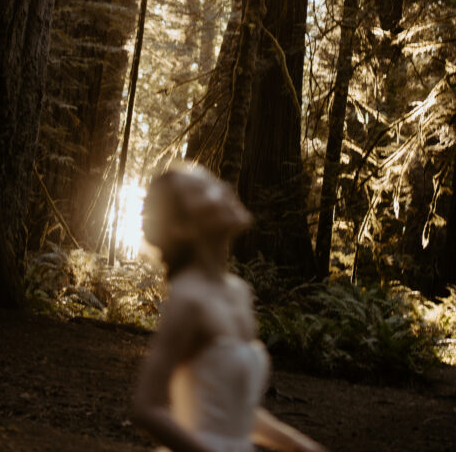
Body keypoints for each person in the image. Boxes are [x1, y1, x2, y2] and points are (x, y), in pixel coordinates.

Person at [132, 162, 327, 452]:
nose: (223, 188)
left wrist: (303, 447)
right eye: (203, 190)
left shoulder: (238, 292)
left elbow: (237, 416)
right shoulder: (188, 299)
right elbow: (147, 407)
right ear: (181, 228)